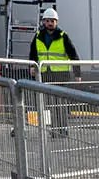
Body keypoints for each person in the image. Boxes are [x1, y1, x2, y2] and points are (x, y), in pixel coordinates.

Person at [30, 7, 80, 138]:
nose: (50, 23)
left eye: (52, 21)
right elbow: (33, 54)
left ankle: (62, 130)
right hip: (46, 73)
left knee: (60, 103)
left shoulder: (63, 36)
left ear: (56, 22)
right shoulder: (38, 36)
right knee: (52, 104)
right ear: (43, 22)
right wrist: (32, 67)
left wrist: (77, 73)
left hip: (61, 74)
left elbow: (73, 54)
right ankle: (55, 130)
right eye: (47, 20)